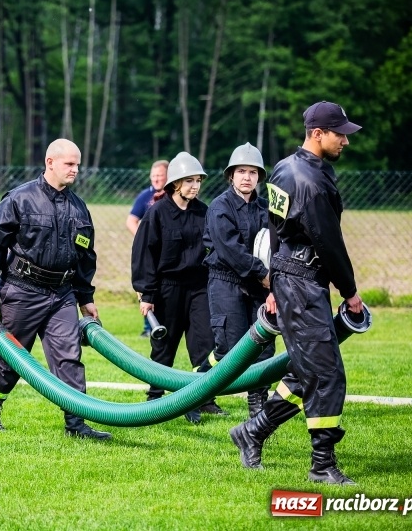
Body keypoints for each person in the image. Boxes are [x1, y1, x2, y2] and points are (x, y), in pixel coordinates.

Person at [229, 101, 364, 485]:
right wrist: (350, 292)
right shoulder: (310, 182)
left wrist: (275, 281)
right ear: (317, 134)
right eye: (340, 134)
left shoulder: (285, 168)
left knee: (306, 371)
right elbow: (329, 243)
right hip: (303, 284)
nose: (345, 142)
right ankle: (322, 465)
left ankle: (252, 432)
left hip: (293, 281)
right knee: (327, 374)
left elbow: (274, 230)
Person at [0, 138, 111, 440]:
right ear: (50, 162)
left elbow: (85, 257)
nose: (76, 170)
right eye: (69, 164)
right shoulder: (19, 199)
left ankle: (76, 425)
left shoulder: (79, 208)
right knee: (12, 357)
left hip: (62, 295)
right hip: (22, 290)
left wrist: (85, 298)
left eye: (77, 164)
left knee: (69, 357)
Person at [131, 151, 215, 424]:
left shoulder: (204, 212)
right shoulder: (156, 214)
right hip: (167, 289)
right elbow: (144, 255)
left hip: (199, 287)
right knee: (164, 346)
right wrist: (147, 294)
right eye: (189, 181)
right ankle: (155, 397)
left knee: (204, 343)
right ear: (175, 183)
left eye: (198, 181)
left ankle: (201, 399)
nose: (195, 186)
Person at [198, 143, 275, 418]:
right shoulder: (220, 207)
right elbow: (231, 251)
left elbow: (276, 244)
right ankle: (199, 390)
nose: (247, 177)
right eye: (241, 171)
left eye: (253, 172)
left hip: (259, 285)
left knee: (262, 346)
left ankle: (258, 404)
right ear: (231, 175)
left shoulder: (266, 209)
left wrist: (271, 278)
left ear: (259, 177)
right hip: (226, 282)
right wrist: (263, 274)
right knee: (229, 349)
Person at [126, 159, 169, 338]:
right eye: (153, 176)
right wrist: (144, 240)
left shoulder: (174, 196)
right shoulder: (145, 196)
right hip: (151, 253)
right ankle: (149, 327)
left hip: (169, 254)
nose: (156, 179)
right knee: (148, 287)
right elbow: (131, 220)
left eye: (160, 176)